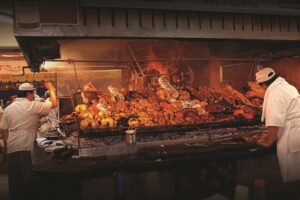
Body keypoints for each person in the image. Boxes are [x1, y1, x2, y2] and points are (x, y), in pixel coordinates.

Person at [0, 82, 57, 198]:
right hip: (26, 145)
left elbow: (4, 129)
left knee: (14, 178)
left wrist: (6, 145)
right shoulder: (32, 105)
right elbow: (54, 103)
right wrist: (51, 88)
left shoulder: (9, 108)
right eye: (33, 93)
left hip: (12, 146)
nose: (34, 96)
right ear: (28, 94)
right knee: (27, 177)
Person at [256, 67, 300, 182]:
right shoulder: (286, 86)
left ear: (264, 84)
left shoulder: (275, 93)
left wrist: (269, 141)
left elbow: (275, 120)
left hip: (291, 133)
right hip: (296, 128)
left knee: (292, 171)